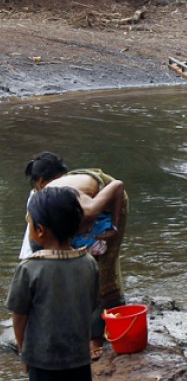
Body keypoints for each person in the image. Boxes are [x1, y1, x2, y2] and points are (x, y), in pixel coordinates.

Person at [7, 186, 100, 381]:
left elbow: (19, 317)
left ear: (40, 230)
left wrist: (24, 351)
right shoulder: (88, 264)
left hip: (44, 362)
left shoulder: (30, 268)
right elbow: (90, 305)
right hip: (78, 358)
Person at [22, 153, 127, 361]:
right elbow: (32, 253)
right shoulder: (37, 207)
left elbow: (118, 185)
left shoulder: (87, 211)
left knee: (101, 271)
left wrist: (113, 226)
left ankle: (99, 336)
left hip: (110, 198)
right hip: (71, 208)